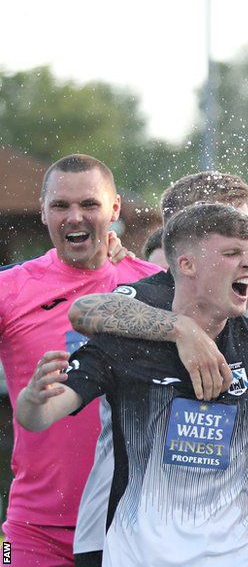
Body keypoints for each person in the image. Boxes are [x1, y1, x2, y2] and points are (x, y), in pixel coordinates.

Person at [16, 204, 248, 567]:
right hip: (137, 555)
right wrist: (33, 400)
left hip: (235, 556)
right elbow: (40, 415)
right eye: (231, 253)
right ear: (186, 264)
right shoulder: (129, 341)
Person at [65, 170, 248, 566]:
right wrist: (181, 329)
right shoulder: (152, 293)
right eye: (228, 224)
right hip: (118, 525)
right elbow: (85, 309)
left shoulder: (243, 305)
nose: (244, 235)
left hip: (209, 538)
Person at [0, 154, 160, 566]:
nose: (75, 217)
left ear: (115, 209)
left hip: (132, 525)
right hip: (32, 528)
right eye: (60, 206)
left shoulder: (154, 288)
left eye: (89, 205)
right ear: (43, 212)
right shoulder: (11, 289)